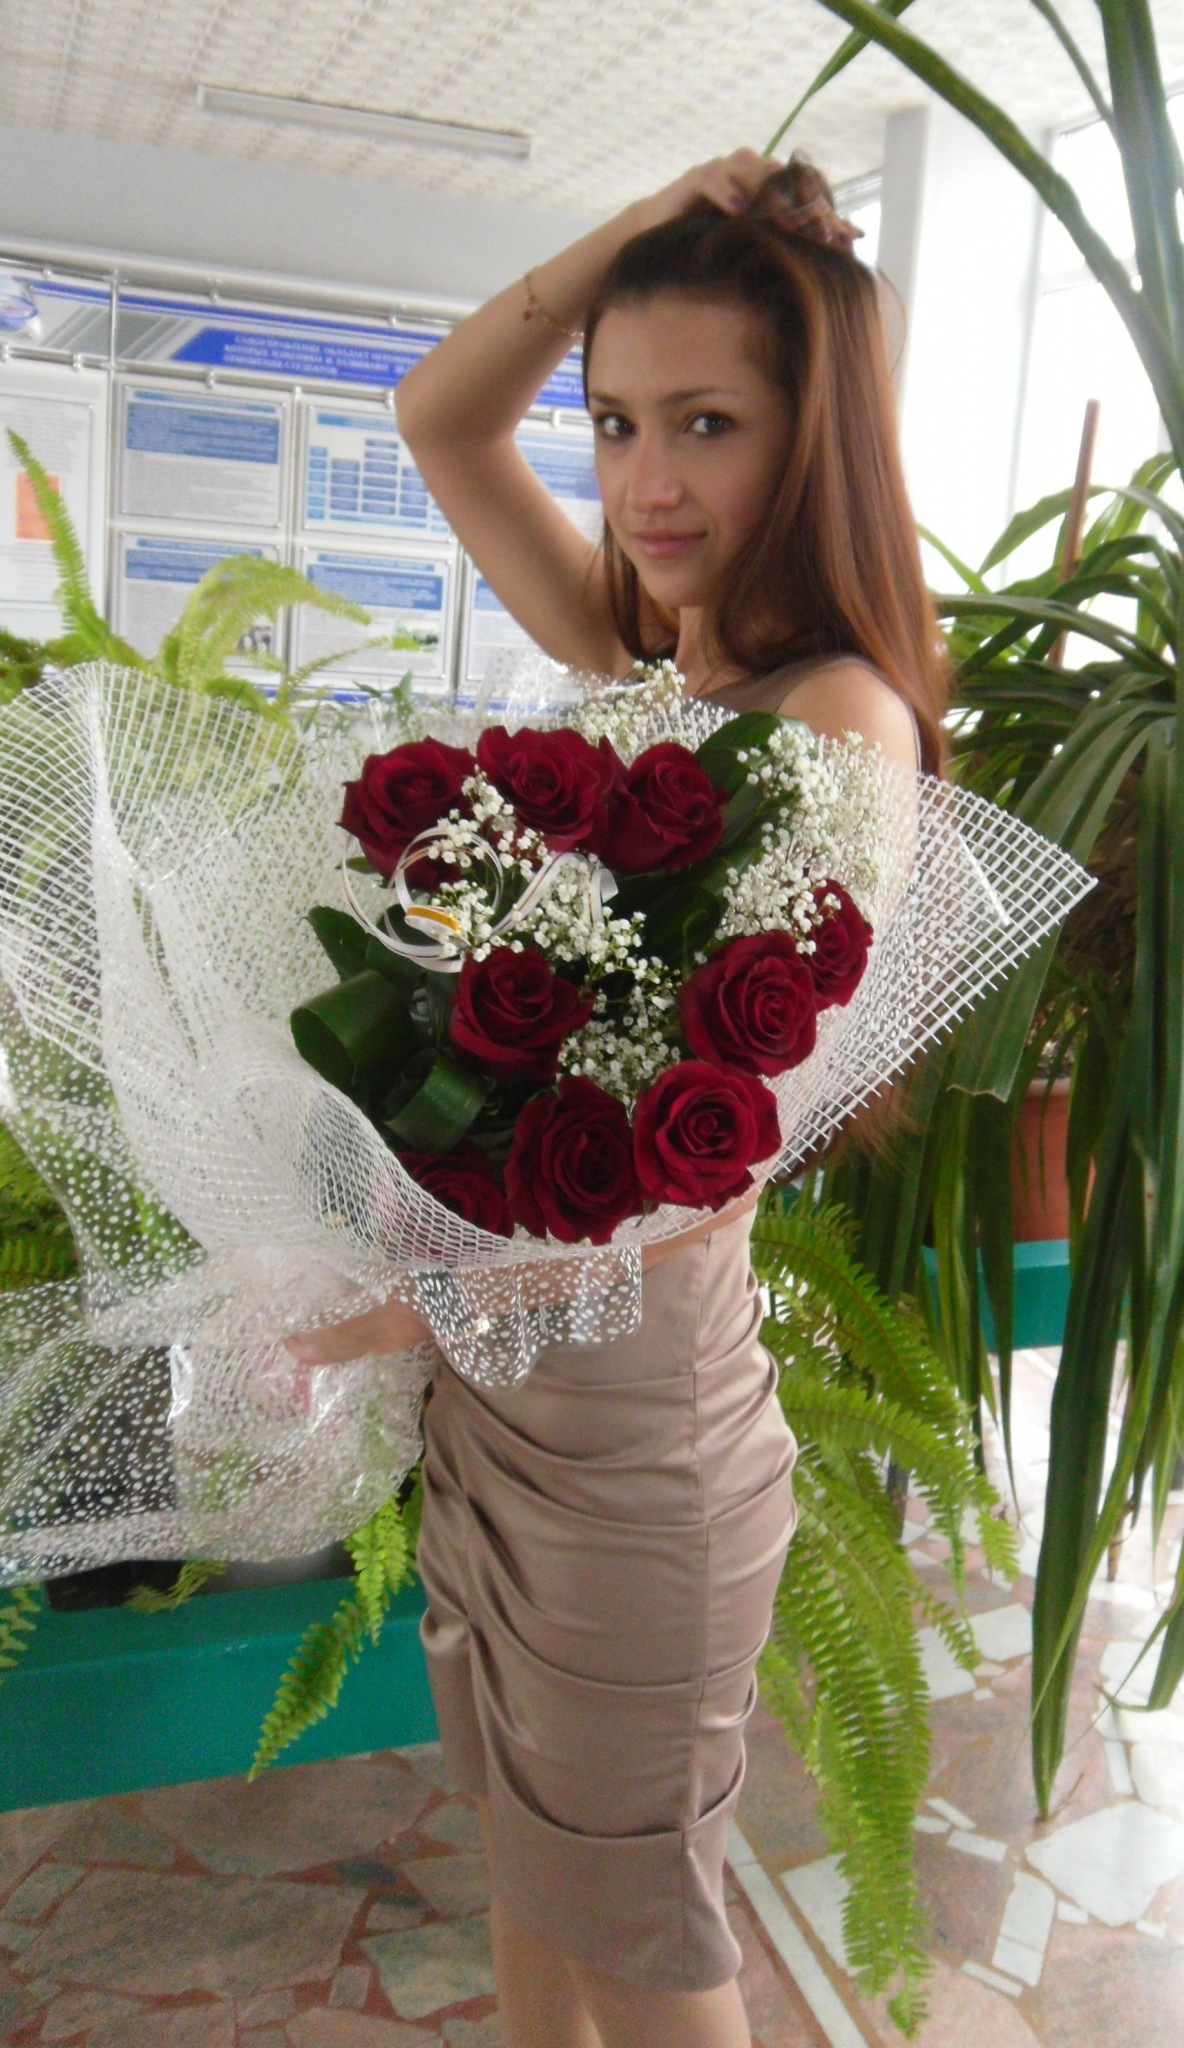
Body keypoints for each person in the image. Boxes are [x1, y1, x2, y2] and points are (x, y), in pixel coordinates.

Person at [288, 147, 947, 2048]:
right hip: (509, 1405)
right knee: (539, 1894)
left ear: (816, 440)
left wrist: (412, 1294)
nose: (647, 482)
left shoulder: (833, 716)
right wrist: (659, 218)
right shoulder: (654, 660)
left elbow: (706, 1163)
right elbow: (440, 414)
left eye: (708, 424)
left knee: (650, 1952)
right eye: (616, 422)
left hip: (636, 1447)